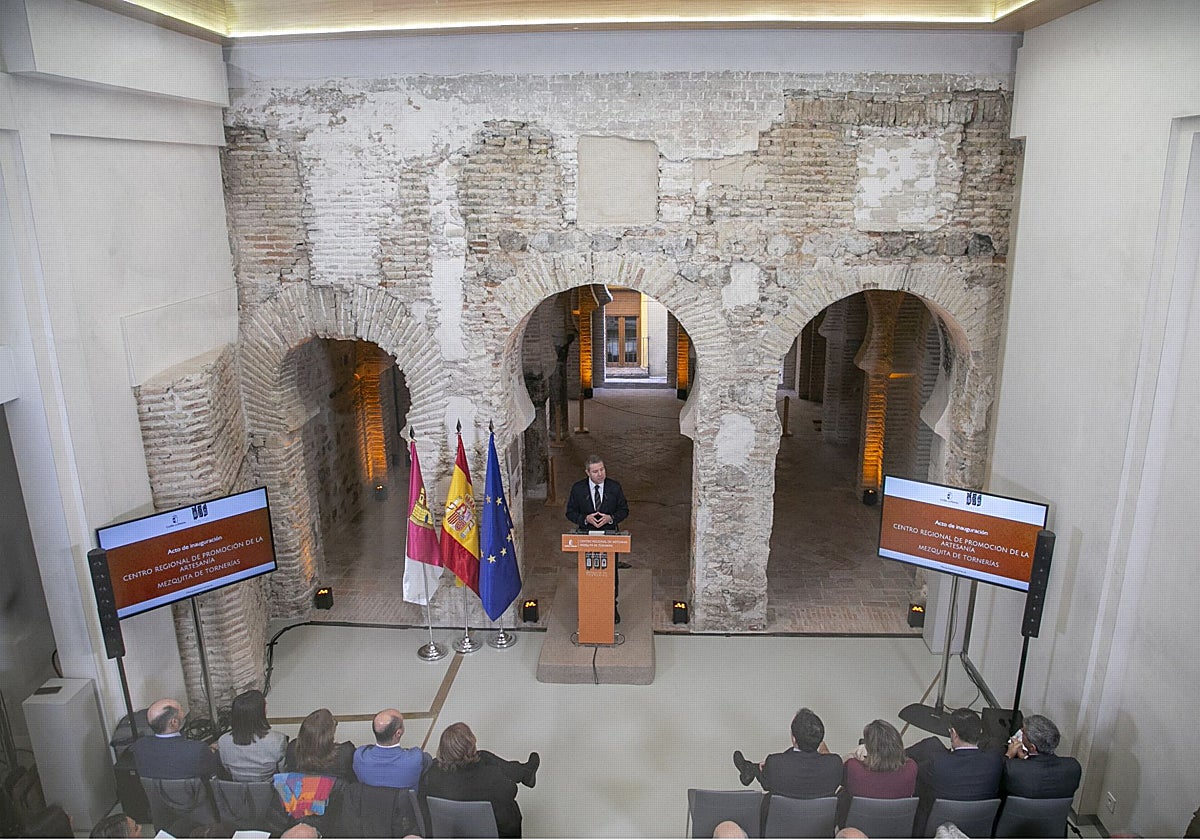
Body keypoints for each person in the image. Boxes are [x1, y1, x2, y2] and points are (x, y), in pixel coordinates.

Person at [420, 722, 539, 838]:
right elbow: (511, 790)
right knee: (509, 807)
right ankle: (524, 773)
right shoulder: (490, 776)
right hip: (490, 832)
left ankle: (525, 772)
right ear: (471, 744)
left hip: (451, 831)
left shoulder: (432, 773)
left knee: (484, 756)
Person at [906, 707, 1003, 834]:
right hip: (976, 831)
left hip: (937, 832)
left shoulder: (937, 763)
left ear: (954, 733)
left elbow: (911, 771)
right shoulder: (995, 761)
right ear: (979, 732)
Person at [565, 455, 630, 622]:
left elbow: (624, 510)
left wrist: (611, 518)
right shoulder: (578, 489)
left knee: (611, 573)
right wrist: (585, 519)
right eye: (595, 471)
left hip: (609, 536)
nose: (600, 474)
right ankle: (588, 605)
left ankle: (612, 606)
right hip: (586, 536)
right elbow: (570, 512)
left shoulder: (614, 487)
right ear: (587, 472)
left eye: (602, 469)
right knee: (589, 571)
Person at [732, 707, 842, 797]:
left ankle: (750, 769)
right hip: (821, 817)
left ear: (794, 739)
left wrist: (771, 766)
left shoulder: (775, 763)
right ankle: (750, 769)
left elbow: (767, 785)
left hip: (779, 817)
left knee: (767, 778)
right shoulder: (835, 764)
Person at [839, 719, 917, 822]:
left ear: (869, 748)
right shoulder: (911, 767)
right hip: (894, 825)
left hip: (856, 826)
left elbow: (839, 777)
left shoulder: (853, 767)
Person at [130, 698, 220, 779]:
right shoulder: (197, 749)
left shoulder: (140, 746)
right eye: (181, 709)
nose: (184, 714)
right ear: (174, 722)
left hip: (157, 792)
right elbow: (215, 770)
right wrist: (211, 750)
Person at [1002, 714, 1082, 799]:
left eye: (1024, 733)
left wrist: (1008, 756)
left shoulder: (1012, 769)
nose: (1021, 730)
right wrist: (1025, 759)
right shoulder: (1073, 767)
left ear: (1032, 747)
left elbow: (995, 779)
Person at [216, 689, 288, 782]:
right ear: (261, 712)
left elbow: (226, 768)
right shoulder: (278, 740)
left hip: (235, 789)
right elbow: (283, 771)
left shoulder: (223, 741)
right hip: (269, 788)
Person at [352, 709, 431, 789]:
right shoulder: (416, 758)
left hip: (368, 797)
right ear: (398, 733)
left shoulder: (360, 756)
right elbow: (428, 760)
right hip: (406, 797)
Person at [284, 708, 357, 781]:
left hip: (300, 787)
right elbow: (353, 781)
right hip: (335, 788)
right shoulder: (345, 752)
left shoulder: (293, 747)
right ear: (329, 732)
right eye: (334, 723)